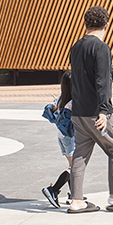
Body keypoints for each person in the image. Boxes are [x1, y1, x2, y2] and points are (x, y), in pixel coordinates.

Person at [67, 5, 113, 213]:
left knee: (80, 154)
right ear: (107, 24)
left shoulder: (76, 47)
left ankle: (77, 201)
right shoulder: (101, 48)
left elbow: (75, 78)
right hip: (95, 111)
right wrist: (104, 111)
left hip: (78, 111)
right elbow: (102, 81)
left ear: (86, 24)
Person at [41, 71, 74, 207]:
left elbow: (53, 110)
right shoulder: (73, 103)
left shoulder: (61, 99)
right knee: (74, 168)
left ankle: (74, 195)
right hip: (71, 138)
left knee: (73, 166)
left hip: (62, 137)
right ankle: (53, 190)